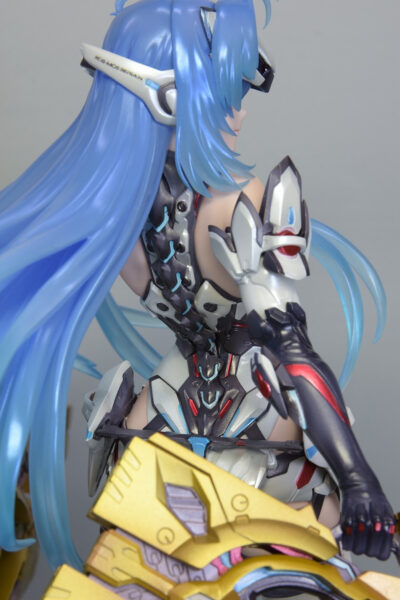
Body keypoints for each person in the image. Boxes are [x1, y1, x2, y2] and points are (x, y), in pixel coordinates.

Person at [0, 0, 394, 577]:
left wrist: (357, 481)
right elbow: (292, 350)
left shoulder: (122, 210)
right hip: (216, 405)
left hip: (218, 406)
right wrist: (358, 480)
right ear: (168, 97)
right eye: (224, 89)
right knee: (140, 556)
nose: (239, 108)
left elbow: (289, 350)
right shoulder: (208, 204)